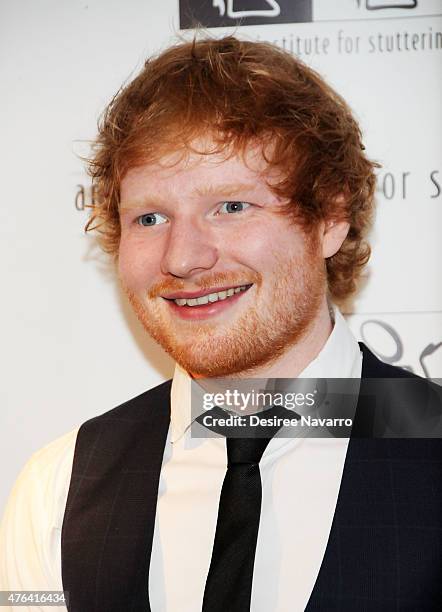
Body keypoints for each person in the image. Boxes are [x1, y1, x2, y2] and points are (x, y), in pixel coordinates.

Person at [0, 36, 440, 612]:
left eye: (231, 207)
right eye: (150, 217)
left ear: (330, 218)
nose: (182, 258)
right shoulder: (58, 488)